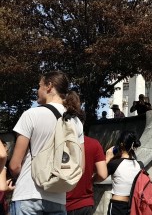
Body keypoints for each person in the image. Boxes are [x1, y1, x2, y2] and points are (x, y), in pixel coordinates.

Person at [9, 71, 85, 215]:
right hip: (58, 199)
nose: (37, 91)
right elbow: (81, 166)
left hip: (28, 194)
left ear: (49, 86)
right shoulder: (76, 122)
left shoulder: (31, 115)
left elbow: (14, 165)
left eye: (39, 86)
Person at [66, 135, 108, 215]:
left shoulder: (57, 141)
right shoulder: (94, 144)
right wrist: (92, 180)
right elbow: (103, 174)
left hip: (61, 203)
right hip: (85, 203)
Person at [105, 130, 141, 215]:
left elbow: (99, 176)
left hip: (117, 206)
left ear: (121, 144)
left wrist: (107, 158)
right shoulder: (139, 165)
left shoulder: (115, 164)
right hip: (133, 206)